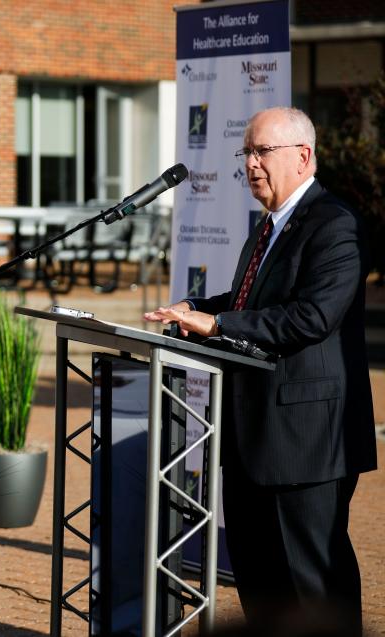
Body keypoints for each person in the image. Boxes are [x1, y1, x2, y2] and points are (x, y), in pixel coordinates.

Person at [144, 107, 375, 634]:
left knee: (311, 584)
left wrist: (216, 321)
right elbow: (251, 300)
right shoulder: (267, 226)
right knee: (260, 583)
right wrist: (193, 308)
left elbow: (312, 316)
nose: (250, 163)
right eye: (245, 152)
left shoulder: (335, 224)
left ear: (303, 156)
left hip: (307, 442)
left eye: (261, 151)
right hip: (249, 436)